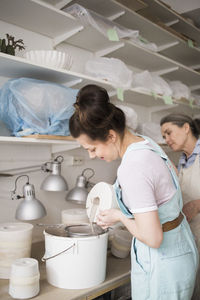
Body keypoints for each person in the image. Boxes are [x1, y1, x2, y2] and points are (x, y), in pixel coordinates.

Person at [69, 85, 198, 300]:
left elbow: (153, 238)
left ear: (110, 136)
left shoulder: (133, 167)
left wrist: (119, 216)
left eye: (92, 148)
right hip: (180, 249)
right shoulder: (145, 143)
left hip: (163, 265)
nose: (92, 156)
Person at [160, 113, 200, 300]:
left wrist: (198, 205)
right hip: (191, 236)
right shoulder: (183, 161)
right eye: (164, 137)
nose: (167, 140)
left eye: (169, 133)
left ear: (186, 127)